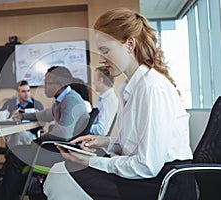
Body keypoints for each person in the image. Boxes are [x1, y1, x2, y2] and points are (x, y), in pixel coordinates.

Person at [43, 8, 196, 200]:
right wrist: (106, 142)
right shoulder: (130, 87)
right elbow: (136, 146)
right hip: (150, 176)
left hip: (165, 183)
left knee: (63, 174)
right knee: (62, 171)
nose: (102, 59)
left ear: (129, 44)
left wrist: (93, 162)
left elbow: (147, 165)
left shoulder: (151, 88)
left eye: (106, 50)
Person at [0, 66, 89, 200]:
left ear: (61, 84)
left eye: (48, 83)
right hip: (60, 149)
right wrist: (24, 116)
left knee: (15, 156)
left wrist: (39, 140)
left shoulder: (70, 100)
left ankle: (6, 196)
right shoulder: (63, 99)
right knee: (16, 154)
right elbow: (46, 114)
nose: (44, 86)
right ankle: (7, 194)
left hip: (63, 153)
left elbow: (63, 133)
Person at [90, 66, 118, 136]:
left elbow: (101, 130)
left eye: (95, 79)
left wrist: (83, 127)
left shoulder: (109, 101)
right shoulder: (103, 98)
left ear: (101, 80)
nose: (93, 82)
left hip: (97, 142)